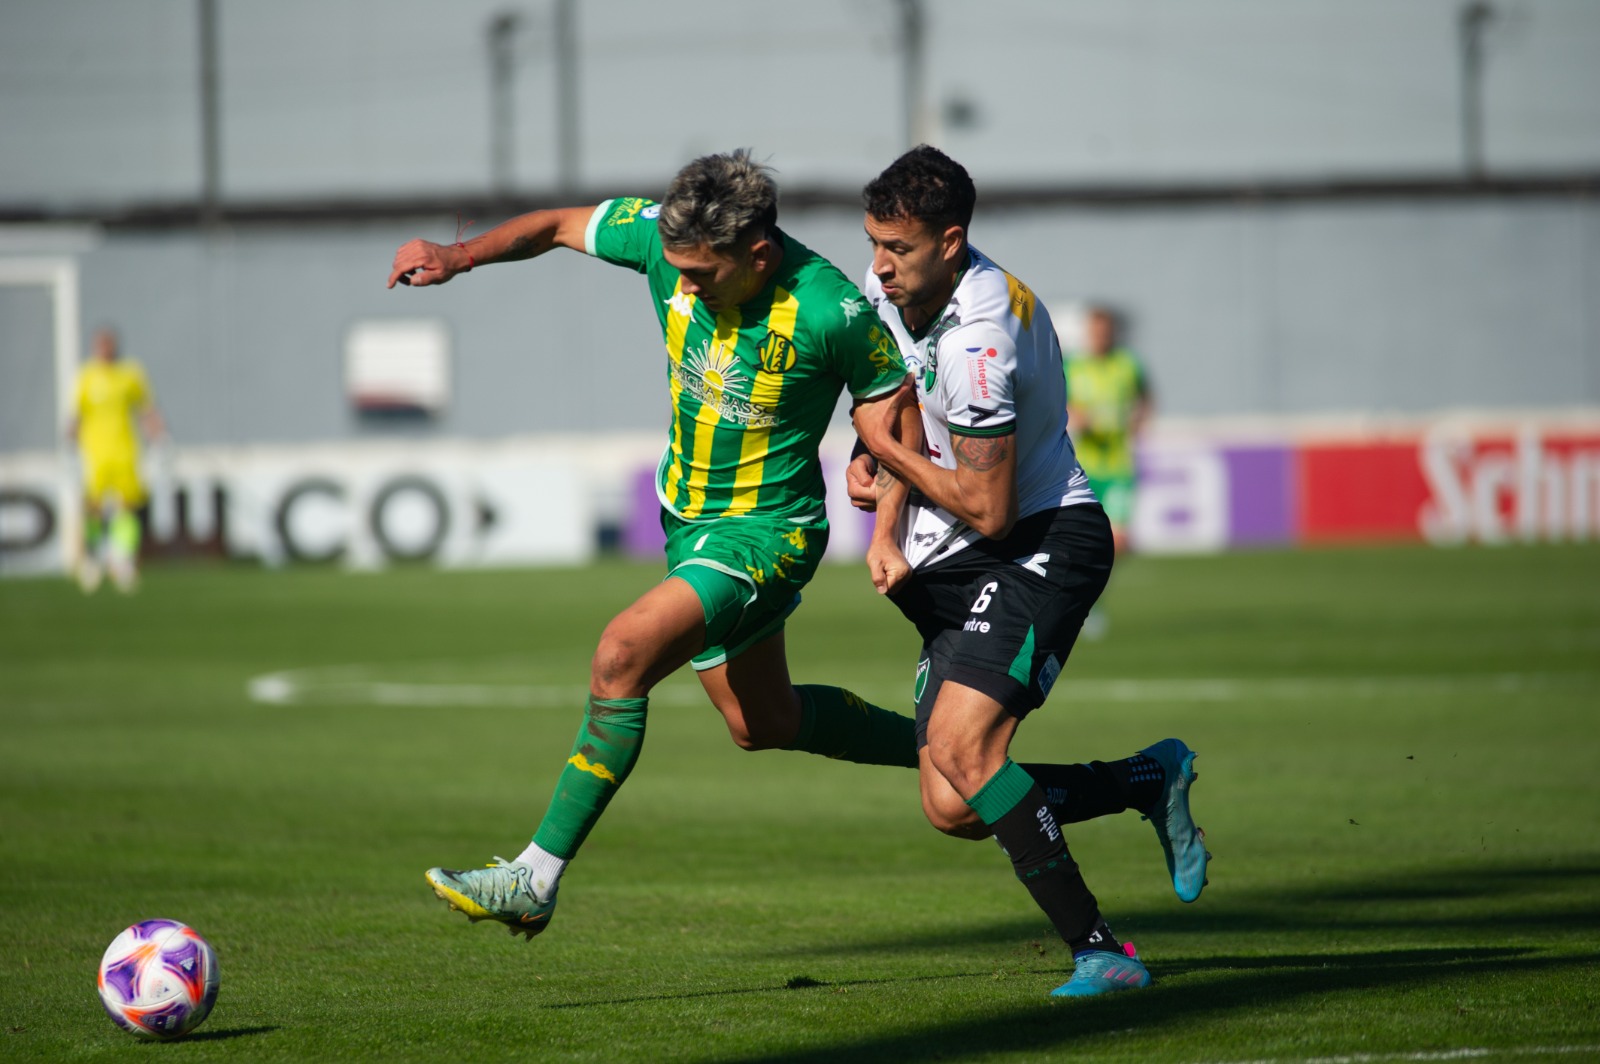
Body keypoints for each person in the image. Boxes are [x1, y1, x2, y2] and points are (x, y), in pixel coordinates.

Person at [386, 149, 920, 940]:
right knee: (762, 722)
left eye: (703, 274)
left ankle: (533, 875)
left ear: (758, 254)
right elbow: (561, 224)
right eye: (677, 271)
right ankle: (955, 754)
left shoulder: (831, 309)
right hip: (689, 527)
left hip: (766, 535)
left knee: (620, 653)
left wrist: (885, 523)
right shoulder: (663, 248)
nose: (685, 287)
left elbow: (893, 403)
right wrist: (459, 257)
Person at [848, 146, 1207, 998]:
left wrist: (882, 453)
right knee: (953, 803)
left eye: (896, 248)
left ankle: (1103, 952)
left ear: (951, 240)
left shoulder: (981, 340)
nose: (878, 265)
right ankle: (1146, 779)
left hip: (1042, 540)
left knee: (963, 749)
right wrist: (886, 526)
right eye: (873, 243)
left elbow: (987, 506)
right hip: (959, 551)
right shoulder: (893, 290)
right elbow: (896, 399)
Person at [67, 327, 165, 593]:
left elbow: (146, 408)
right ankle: (93, 557)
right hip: (96, 454)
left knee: (128, 506)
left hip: (125, 451)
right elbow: (77, 414)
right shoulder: (87, 376)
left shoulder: (131, 374)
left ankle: (121, 559)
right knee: (94, 506)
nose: (105, 349)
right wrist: (70, 440)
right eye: (100, 344)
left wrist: (158, 433)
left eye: (108, 344)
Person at [1065, 305, 1152, 558]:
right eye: (1095, 331)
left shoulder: (1127, 364)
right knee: (1084, 539)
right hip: (1083, 467)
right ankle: (1093, 594)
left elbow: (1145, 396)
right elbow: (1057, 403)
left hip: (1118, 466)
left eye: (1104, 331)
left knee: (1118, 542)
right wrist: (1074, 415)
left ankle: (1098, 587)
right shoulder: (1073, 366)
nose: (1100, 336)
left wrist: (1140, 420)